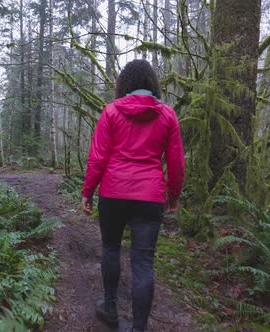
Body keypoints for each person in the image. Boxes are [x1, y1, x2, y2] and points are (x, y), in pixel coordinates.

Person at [81, 59, 185, 332]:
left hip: (113, 193)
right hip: (150, 196)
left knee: (111, 248)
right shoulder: (167, 115)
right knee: (143, 262)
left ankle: (111, 308)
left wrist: (88, 192)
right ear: (152, 84)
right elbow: (176, 162)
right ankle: (139, 328)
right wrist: (173, 196)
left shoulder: (111, 112)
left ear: (123, 84)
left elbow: (98, 157)